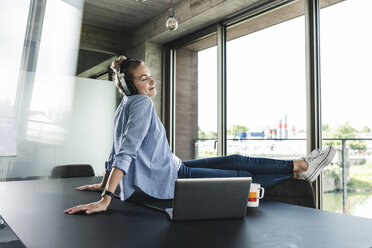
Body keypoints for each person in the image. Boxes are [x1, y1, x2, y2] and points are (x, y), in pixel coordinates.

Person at [64, 56, 336, 215]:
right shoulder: (141, 104)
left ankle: (299, 166)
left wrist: (104, 184)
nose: (152, 81)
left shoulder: (124, 105)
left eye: (150, 75)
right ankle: (299, 170)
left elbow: (114, 151)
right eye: (144, 78)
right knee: (239, 179)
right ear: (128, 84)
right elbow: (123, 152)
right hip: (169, 179)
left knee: (234, 158)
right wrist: (107, 197)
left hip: (172, 167)